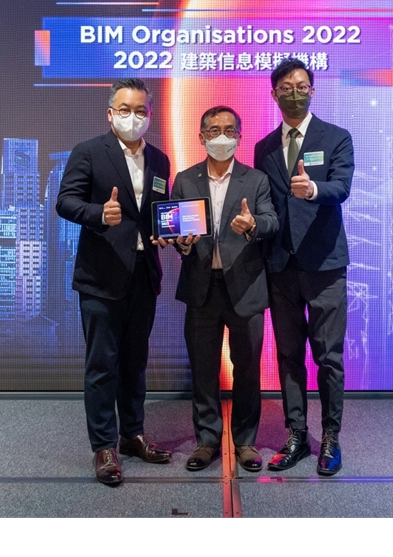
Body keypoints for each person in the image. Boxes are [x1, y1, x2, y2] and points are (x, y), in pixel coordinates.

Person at [55, 77, 173, 486]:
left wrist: (168, 232)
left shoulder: (160, 159)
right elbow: (65, 201)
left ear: (150, 115)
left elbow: (159, 209)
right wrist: (97, 215)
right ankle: (104, 446)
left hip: (144, 273)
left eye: (140, 110)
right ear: (110, 114)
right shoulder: (88, 152)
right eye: (125, 110)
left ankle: (133, 434)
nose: (132, 117)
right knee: (102, 363)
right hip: (101, 276)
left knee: (136, 361)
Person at [159, 106, 278, 473]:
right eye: (213, 130)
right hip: (201, 288)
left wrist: (253, 224)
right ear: (201, 137)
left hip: (245, 287)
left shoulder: (255, 180)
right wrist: (180, 243)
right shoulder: (185, 180)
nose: (221, 136)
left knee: (247, 370)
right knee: (204, 369)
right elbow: (177, 233)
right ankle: (207, 441)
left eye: (229, 130)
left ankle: (245, 441)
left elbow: (272, 221)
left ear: (240, 137)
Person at [253, 57, 354, 476]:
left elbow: (341, 187)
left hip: (325, 264)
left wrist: (313, 188)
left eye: (301, 86)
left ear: (312, 90)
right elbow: (265, 203)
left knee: (328, 356)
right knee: (289, 355)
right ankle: (296, 433)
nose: (294, 93)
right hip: (281, 265)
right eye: (285, 88)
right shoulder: (263, 148)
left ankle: (330, 437)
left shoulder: (336, 137)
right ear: (274, 94)